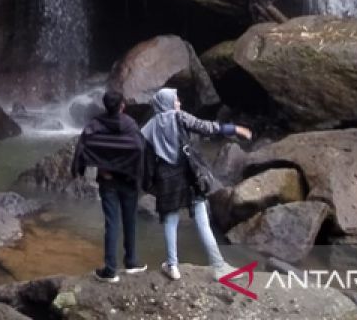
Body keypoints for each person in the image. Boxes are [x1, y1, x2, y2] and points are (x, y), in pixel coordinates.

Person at [140, 88, 252, 281]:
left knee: (170, 220)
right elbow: (207, 127)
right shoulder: (179, 117)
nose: (179, 103)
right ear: (168, 102)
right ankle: (218, 266)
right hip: (188, 173)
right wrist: (234, 129)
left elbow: (138, 147)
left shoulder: (150, 125)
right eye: (176, 100)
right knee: (202, 220)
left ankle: (172, 266)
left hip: (165, 177)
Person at [70, 88, 149, 283]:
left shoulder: (96, 124)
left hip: (108, 180)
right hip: (129, 180)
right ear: (122, 106)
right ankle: (131, 262)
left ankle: (110, 269)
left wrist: (101, 165)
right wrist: (136, 171)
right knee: (130, 220)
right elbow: (139, 148)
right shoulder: (130, 124)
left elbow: (84, 145)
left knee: (112, 223)